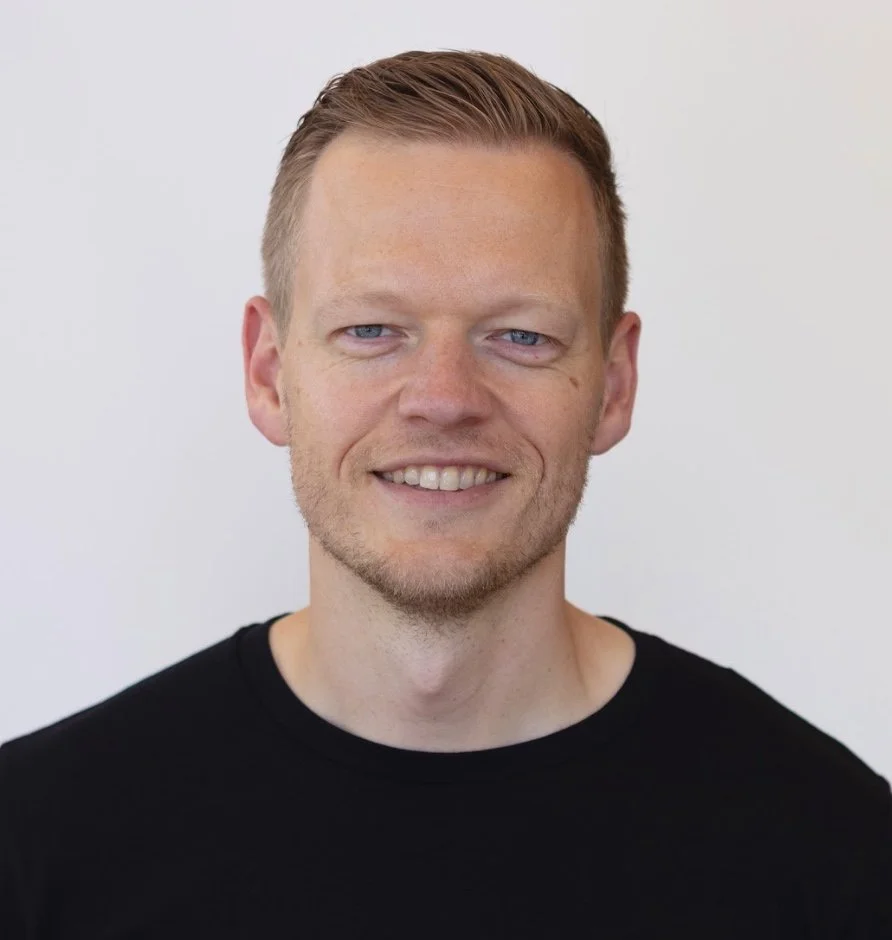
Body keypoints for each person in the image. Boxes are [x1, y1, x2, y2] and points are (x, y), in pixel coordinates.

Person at [1, 48, 889, 939]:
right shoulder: (36, 846)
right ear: (269, 373)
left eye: (521, 336)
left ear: (614, 385)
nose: (444, 399)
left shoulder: (838, 856)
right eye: (372, 330)